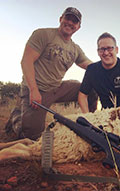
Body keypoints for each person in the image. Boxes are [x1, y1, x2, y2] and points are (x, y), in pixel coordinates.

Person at [5, 7, 97, 140]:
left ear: (78, 27)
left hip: (57, 88)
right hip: (37, 90)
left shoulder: (75, 49)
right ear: (61, 19)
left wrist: (110, 65)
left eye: (74, 21)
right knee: (32, 138)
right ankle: (16, 117)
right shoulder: (43, 34)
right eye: (68, 18)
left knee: (91, 89)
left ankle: (92, 122)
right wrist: (33, 90)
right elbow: (26, 61)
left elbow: (91, 66)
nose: (70, 23)